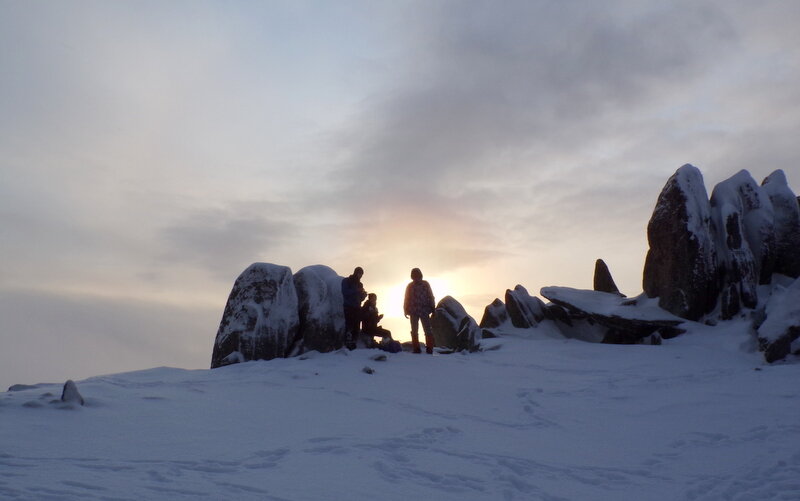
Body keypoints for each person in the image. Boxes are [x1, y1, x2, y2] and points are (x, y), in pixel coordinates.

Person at [403, 268, 436, 354]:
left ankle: (429, 349)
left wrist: (433, 308)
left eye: (417, 276)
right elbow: (406, 298)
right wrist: (405, 309)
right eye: (414, 277)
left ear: (420, 276)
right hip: (413, 311)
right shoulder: (410, 286)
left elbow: (431, 296)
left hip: (424, 310)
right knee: (414, 330)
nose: (416, 278)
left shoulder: (426, 284)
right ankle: (416, 348)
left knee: (427, 330)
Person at [341, 267, 367, 349]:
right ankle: (346, 344)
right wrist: (357, 291)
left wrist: (363, 296)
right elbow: (345, 292)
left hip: (357, 307)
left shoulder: (360, 284)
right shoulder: (346, 281)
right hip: (348, 306)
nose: (360, 276)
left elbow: (360, 298)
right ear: (355, 272)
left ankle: (354, 343)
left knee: (356, 327)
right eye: (359, 273)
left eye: (361, 274)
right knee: (349, 325)